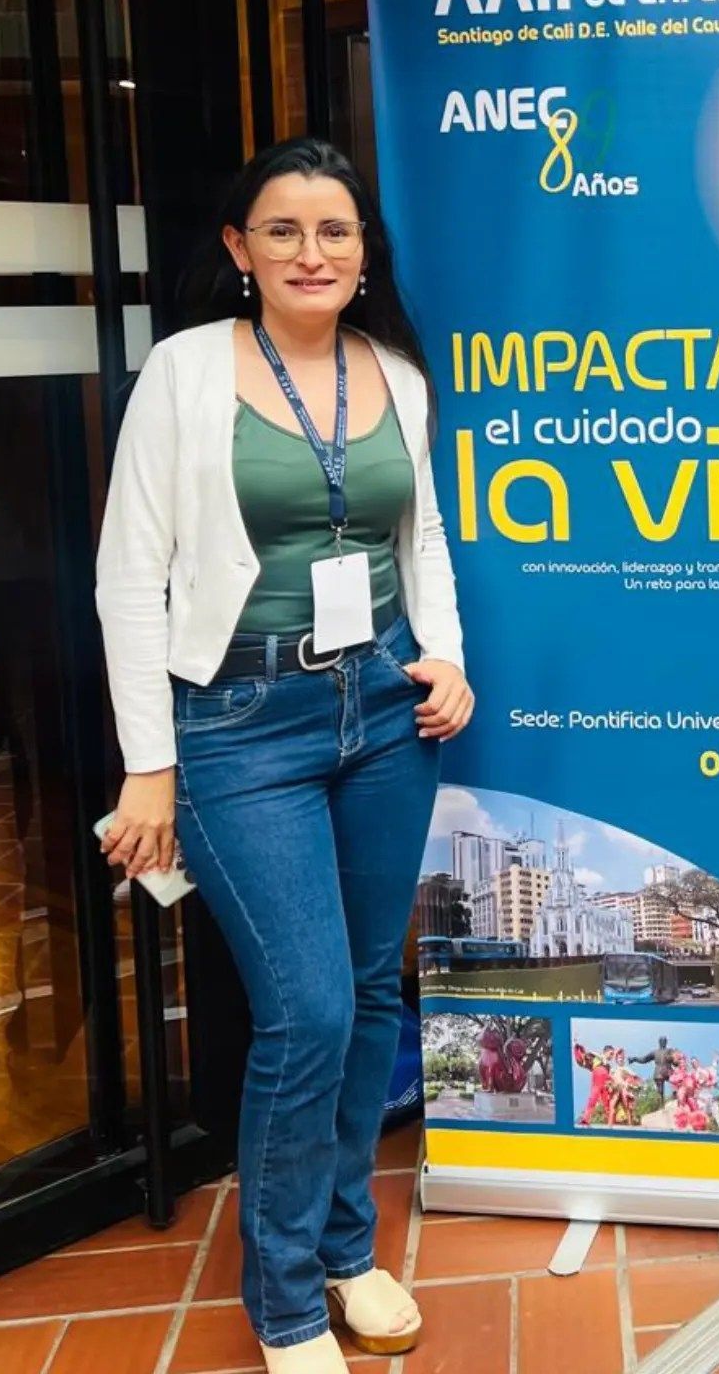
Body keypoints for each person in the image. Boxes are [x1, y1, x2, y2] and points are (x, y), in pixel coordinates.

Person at [95, 138, 472, 1374]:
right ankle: (286, 1299)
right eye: (285, 230)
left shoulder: (396, 376)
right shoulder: (187, 372)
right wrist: (150, 762)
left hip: (383, 714)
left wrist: (446, 655)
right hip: (237, 723)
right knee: (305, 1010)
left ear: (367, 256)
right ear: (238, 250)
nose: (314, 252)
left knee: (368, 999)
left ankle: (349, 1249)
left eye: (338, 232)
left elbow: (425, 543)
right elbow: (127, 578)